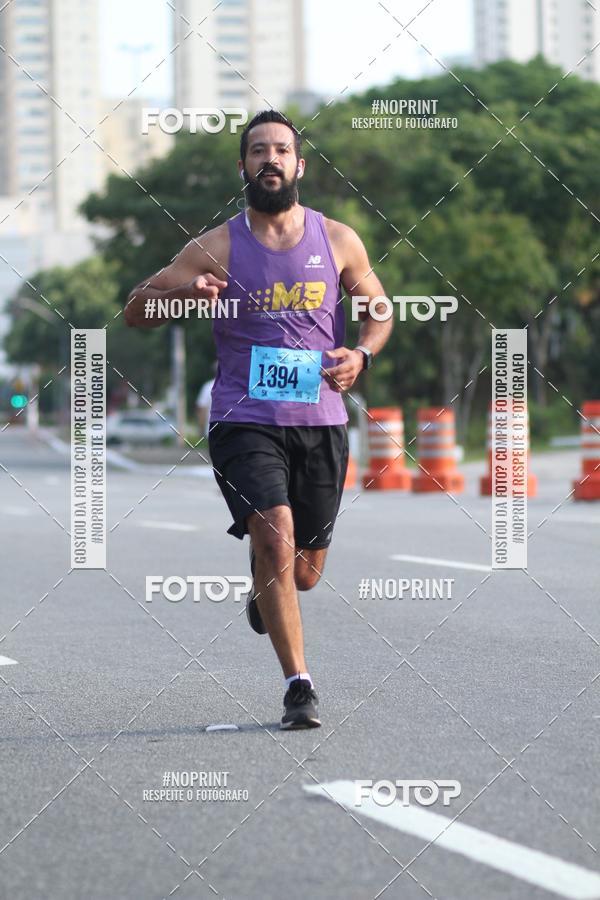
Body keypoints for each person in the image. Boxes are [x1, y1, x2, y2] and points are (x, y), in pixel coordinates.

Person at [125, 110, 392, 729]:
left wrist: (362, 354)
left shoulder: (338, 239)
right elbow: (137, 308)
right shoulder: (217, 246)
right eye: (257, 151)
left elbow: (378, 309)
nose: (270, 159)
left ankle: (264, 587)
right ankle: (299, 686)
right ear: (243, 166)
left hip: (320, 420)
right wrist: (183, 296)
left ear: (299, 165)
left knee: (303, 573)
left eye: (281, 150)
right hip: (243, 418)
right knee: (274, 533)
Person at [196, 362, 216, 439]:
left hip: (211, 429)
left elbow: (201, 409)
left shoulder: (207, 387)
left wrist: (200, 428)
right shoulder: (230, 387)